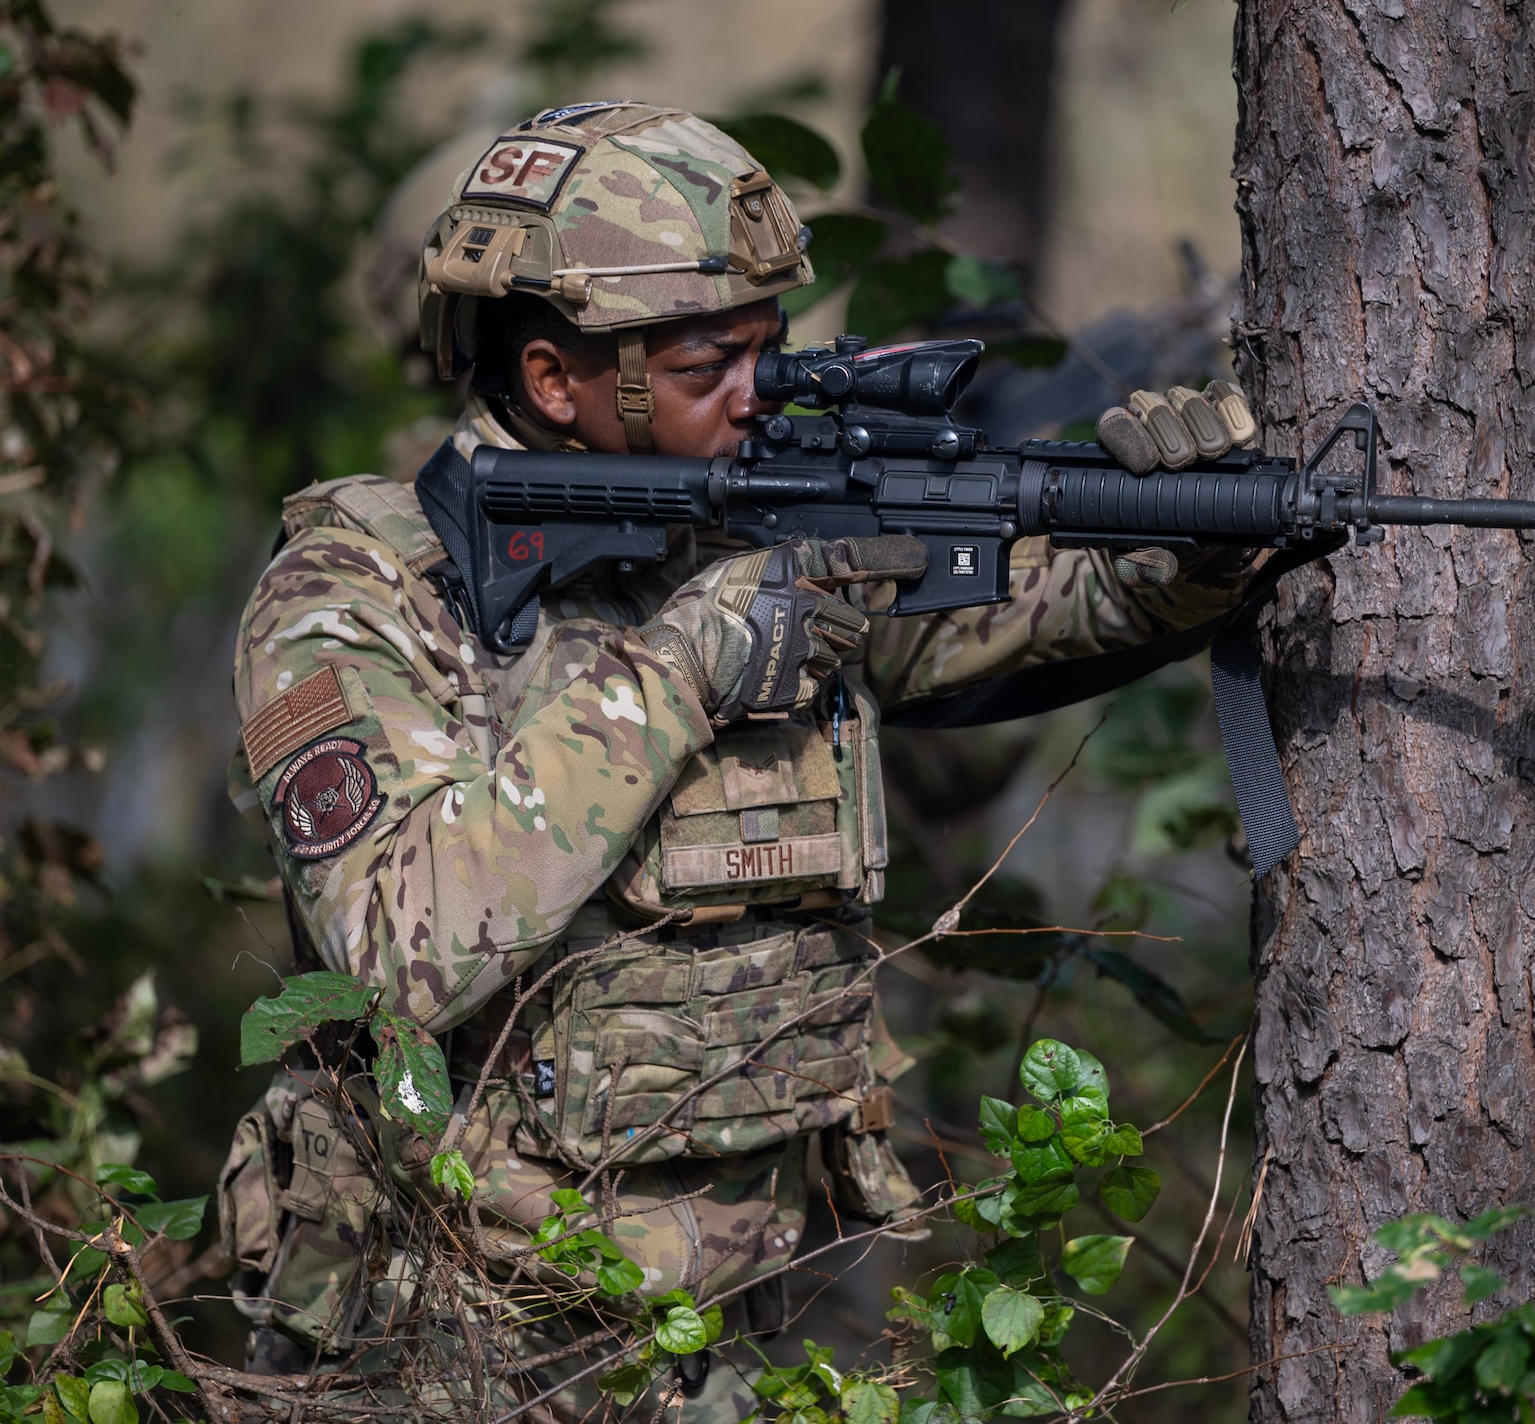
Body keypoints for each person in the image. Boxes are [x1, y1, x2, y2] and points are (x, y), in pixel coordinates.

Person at [213, 101, 1257, 1421]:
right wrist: (682, 670)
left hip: (743, 1337)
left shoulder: (750, 521)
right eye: (715, 360)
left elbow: (1031, 615)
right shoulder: (359, 588)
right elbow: (397, 943)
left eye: (770, 348)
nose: (760, 392)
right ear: (554, 379)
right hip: (451, 1348)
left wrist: (1196, 543)